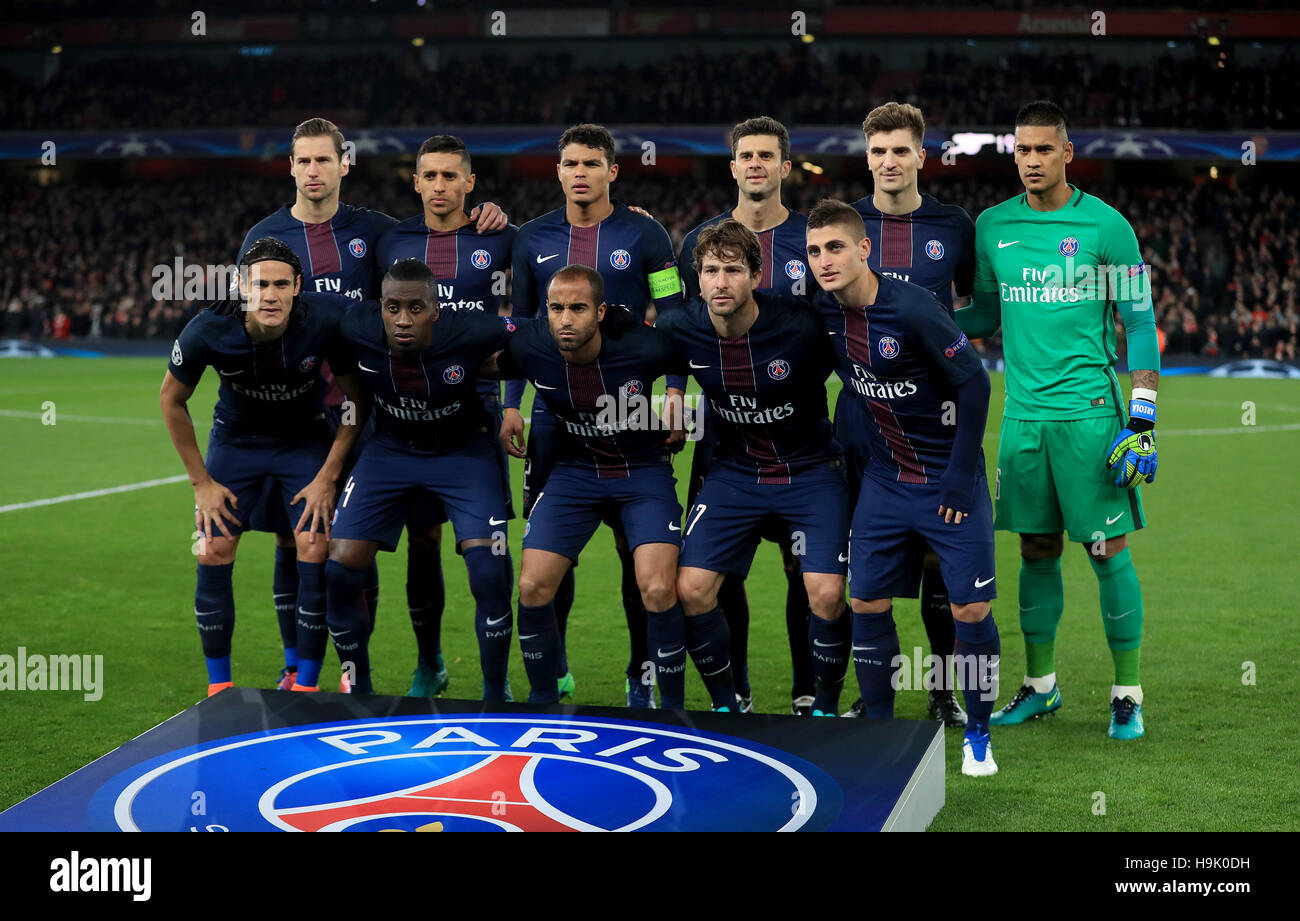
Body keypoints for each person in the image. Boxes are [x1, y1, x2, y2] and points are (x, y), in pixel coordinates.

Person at [241, 117, 506, 693]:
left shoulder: (380, 234)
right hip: (294, 416)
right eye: (303, 160)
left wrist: (485, 215)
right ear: (290, 166)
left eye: (323, 160)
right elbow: (250, 324)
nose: (313, 171)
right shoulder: (263, 237)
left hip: (372, 409)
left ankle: (424, 663)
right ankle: (303, 664)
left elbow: (436, 246)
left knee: (413, 537)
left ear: (345, 164)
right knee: (299, 537)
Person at [954, 100, 1159, 740]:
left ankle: (1127, 694)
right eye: (1023, 150)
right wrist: (911, 317)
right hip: (1024, 419)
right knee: (1035, 551)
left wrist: (1143, 416)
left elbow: (1140, 320)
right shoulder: (992, 226)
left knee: (1106, 550)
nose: (1032, 160)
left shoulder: (1108, 226)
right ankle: (1041, 686)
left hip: (1091, 418)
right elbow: (984, 317)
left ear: (1067, 153)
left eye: (1044, 149)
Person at [807, 199, 1001, 776]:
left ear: (865, 248)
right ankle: (882, 734)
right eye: (815, 251)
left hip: (947, 478)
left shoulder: (913, 307)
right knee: (865, 599)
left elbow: (975, 386)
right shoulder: (825, 308)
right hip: (886, 482)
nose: (824, 260)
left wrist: (961, 480)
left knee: (970, 607)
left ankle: (979, 735)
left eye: (836, 247)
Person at [502, 123, 686, 708]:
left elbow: (676, 313)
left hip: (630, 410)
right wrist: (512, 406)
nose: (579, 172)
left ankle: (643, 671)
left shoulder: (646, 233)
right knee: (550, 554)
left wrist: (677, 392)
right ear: (557, 172)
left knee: (640, 558)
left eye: (591, 163)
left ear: (612, 171)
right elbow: (525, 332)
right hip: (559, 421)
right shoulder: (531, 239)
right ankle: (553, 673)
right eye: (570, 163)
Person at [659, 219, 849, 715]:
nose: (721, 283)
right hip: (735, 474)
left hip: (809, 471)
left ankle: (825, 709)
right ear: (696, 277)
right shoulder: (680, 325)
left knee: (825, 594)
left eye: (733, 271)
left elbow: (860, 362)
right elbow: (622, 348)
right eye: (711, 271)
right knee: (692, 590)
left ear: (756, 275)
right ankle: (727, 705)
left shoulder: (801, 325)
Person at [159, 238, 364, 698]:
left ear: (298, 287)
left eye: (279, 285)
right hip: (236, 442)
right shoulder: (208, 328)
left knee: (313, 543)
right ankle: (219, 687)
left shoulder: (326, 320)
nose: (269, 295)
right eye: (258, 285)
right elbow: (171, 399)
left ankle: (306, 686)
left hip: (303, 442)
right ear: (240, 287)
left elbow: (357, 401)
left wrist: (329, 476)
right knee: (211, 548)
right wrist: (201, 484)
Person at [839, 102, 978, 726]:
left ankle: (945, 689)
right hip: (862, 422)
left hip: (935, 423)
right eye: (878, 151)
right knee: (857, 570)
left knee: (940, 566)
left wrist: (945, 344)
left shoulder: (954, 225)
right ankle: (863, 696)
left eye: (901, 150)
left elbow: (977, 306)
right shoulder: (845, 225)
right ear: (866, 157)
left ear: (921, 156)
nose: (889, 162)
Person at [323, 259, 516, 698]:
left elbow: (535, 334)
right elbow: (304, 305)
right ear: (380, 308)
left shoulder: (470, 329)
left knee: (489, 568)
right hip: (390, 452)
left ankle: (494, 691)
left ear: (435, 309)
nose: (403, 319)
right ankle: (359, 688)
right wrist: (239, 299)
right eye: (393, 308)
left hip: (464, 453)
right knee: (339, 566)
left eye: (415, 308)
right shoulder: (356, 325)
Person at [677, 116, 817, 715]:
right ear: (731, 166)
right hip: (722, 443)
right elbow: (675, 322)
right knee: (717, 572)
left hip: (802, 438)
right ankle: (733, 691)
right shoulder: (695, 244)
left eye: (767, 156)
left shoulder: (814, 240)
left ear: (786, 168)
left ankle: (809, 688)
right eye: (745, 156)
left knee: (803, 570)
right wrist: (671, 389)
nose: (755, 164)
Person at [375, 134, 518, 699]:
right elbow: (369, 318)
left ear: (469, 182)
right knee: (423, 541)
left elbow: (526, 318)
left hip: (475, 412)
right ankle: (429, 661)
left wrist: (511, 404)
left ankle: (499, 678)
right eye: (429, 176)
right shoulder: (392, 240)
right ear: (416, 183)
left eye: (449, 176)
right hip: (407, 413)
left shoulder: (500, 237)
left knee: (489, 549)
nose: (439, 186)